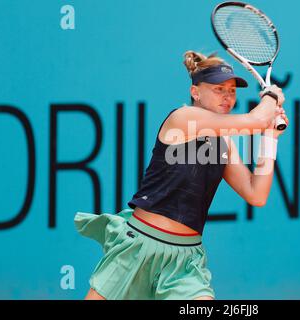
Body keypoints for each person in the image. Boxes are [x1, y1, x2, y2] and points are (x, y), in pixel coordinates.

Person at [74, 51, 289, 300]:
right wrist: (272, 97)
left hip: (185, 263)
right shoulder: (182, 118)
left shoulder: (224, 143)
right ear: (195, 92)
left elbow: (256, 194)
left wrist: (270, 139)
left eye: (231, 91)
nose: (228, 97)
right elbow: (256, 119)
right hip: (137, 247)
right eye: (219, 89)